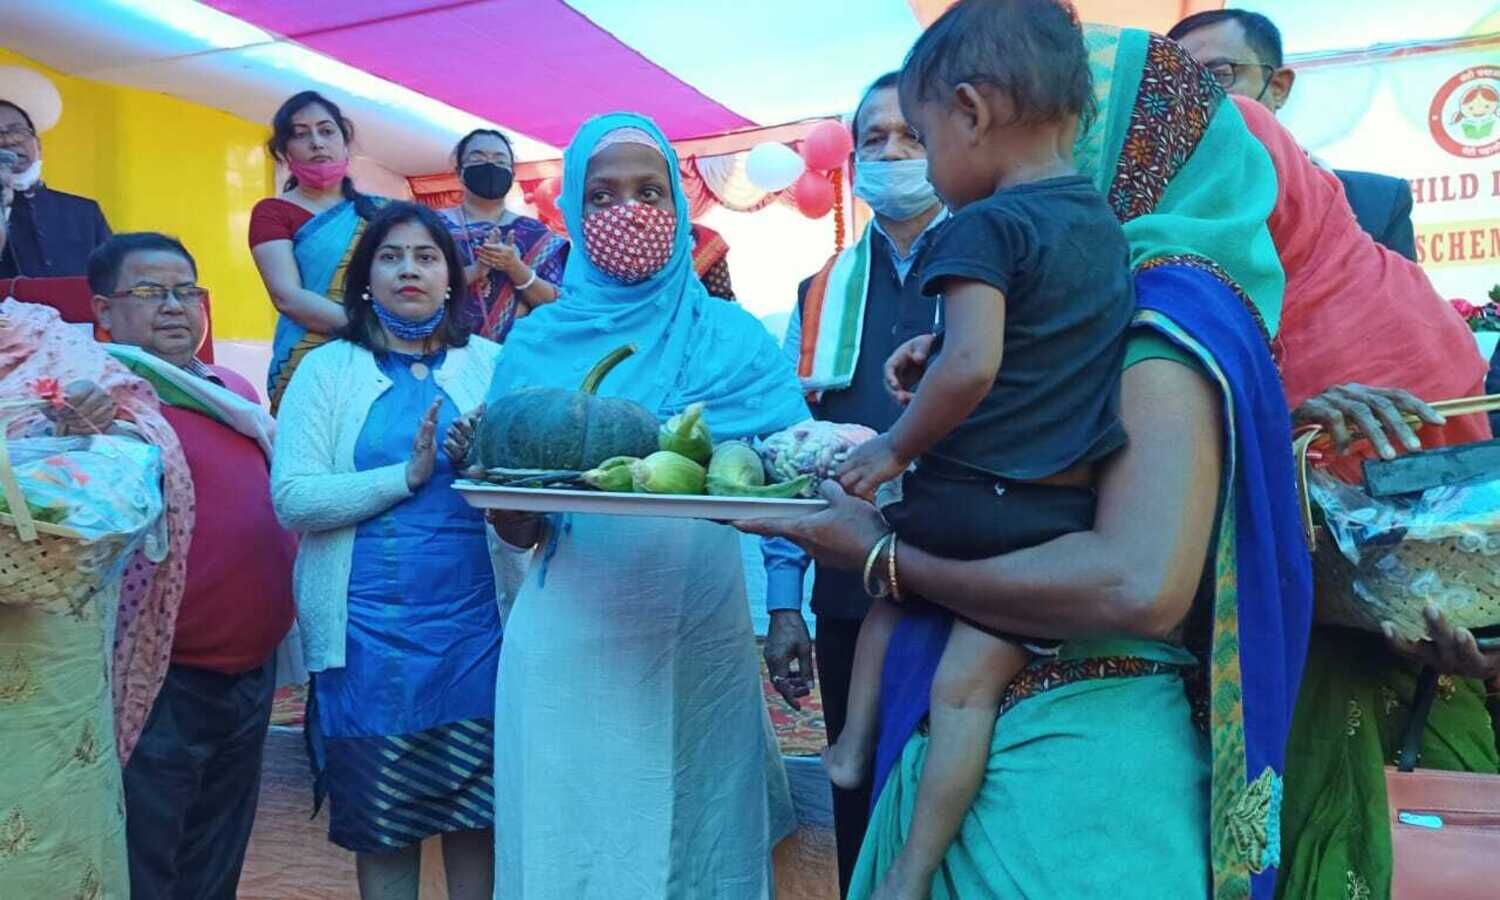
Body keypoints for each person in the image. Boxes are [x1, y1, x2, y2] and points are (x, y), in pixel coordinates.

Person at [744, 21, 1312, 899]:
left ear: (1112, 139)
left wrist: (887, 559)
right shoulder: (1103, 289)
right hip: (1047, 741)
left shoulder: (1162, 327)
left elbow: (1136, 584)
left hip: (1065, 773)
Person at [823, 4, 1134, 896]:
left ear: (971, 111)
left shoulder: (979, 226)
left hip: (972, 499)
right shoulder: (1104, 225)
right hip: (1061, 512)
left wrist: (891, 445)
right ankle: (904, 849)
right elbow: (1052, 342)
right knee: (970, 685)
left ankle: (870, 793)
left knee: (888, 580)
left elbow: (973, 367)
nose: (916, 161)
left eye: (918, 137)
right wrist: (944, 352)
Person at [474, 113, 809, 900]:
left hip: (700, 627)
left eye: (651, 190)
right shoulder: (537, 342)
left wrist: (787, 608)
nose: (631, 210)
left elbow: (787, 470)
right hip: (571, 629)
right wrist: (507, 501)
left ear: (680, 204)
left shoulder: (730, 337)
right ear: (575, 215)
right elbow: (518, 521)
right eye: (605, 194)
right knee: (571, 835)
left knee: (697, 830)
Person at [1221, 96, 1498, 900]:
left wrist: (1486, 648)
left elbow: (1471, 526)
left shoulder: (1398, 314)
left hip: (1417, 706)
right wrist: (1278, 433)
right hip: (1249, 678)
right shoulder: (1179, 315)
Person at [271, 202, 502, 900]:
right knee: (384, 823)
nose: (409, 269)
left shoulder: (492, 365)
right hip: (366, 640)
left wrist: (483, 462)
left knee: (478, 817)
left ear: (450, 277)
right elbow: (295, 499)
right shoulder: (326, 370)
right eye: (392, 255)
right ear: (366, 277)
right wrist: (404, 476)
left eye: (426, 256)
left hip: (479, 632)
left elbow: (530, 491)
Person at [761, 70, 946, 896]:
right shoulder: (822, 291)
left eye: (913, 136)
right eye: (874, 139)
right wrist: (779, 604)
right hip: (848, 591)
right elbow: (793, 455)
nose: (892, 153)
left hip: (976, 583)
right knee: (860, 803)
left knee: (964, 799)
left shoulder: (1003, 263)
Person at [78, 232, 296, 900]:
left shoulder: (230, 390)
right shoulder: (93, 397)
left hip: (249, 674)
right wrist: (73, 429)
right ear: (104, 312)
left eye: (185, 291)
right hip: (159, 678)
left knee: (216, 858)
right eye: (147, 291)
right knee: (149, 863)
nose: (172, 306)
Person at [0, 296, 191, 900]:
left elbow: (142, 443)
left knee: (48, 844)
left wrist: (92, 421)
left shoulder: (49, 337)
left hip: (45, 656)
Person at [1168, 9, 1418, 261]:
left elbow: (1402, 300)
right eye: (1179, 84)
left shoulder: (1377, 203)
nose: (1197, 98)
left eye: (1219, 75)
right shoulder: (1156, 214)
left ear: (1279, 86)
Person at [250, 90, 385, 412]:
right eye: (301, 134)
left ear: (344, 140)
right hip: (308, 358)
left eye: (326, 131)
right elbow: (287, 296)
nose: (317, 142)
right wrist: (372, 331)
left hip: (383, 358)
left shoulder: (381, 213)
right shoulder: (273, 212)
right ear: (284, 151)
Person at [436, 128, 567, 341]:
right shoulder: (431, 226)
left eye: (500, 160)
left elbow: (559, 305)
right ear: (459, 172)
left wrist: (515, 267)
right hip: (443, 351)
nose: (490, 166)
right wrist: (475, 271)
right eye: (477, 158)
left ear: (512, 175)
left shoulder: (535, 234)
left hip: (515, 358)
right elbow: (415, 285)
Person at [0, 99, 111, 278]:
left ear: (38, 146)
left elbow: (111, 278)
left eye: (17, 131)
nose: (8, 141)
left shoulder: (85, 212)